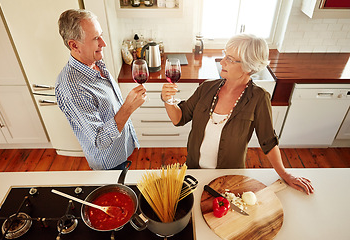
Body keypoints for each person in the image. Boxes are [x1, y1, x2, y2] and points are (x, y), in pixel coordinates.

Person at [161, 34, 314, 195]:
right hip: (193, 172)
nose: (222, 62)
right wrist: (167, 100)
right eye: (224, 55)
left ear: (248, 66)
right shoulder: (206, 88)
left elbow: (268, 142)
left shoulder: (259, 98)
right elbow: (179, 118)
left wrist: (285, 174)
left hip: (229, 178)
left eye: (230, 59)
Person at [56, 9, 146, 170]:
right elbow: (100, 140)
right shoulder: (72, 88)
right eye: (96, 38)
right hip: (109, 164)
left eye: (101, 35)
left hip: (122, 150)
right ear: (74, 45)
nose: (103, 43)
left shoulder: (95, 62)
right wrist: (128, 108)